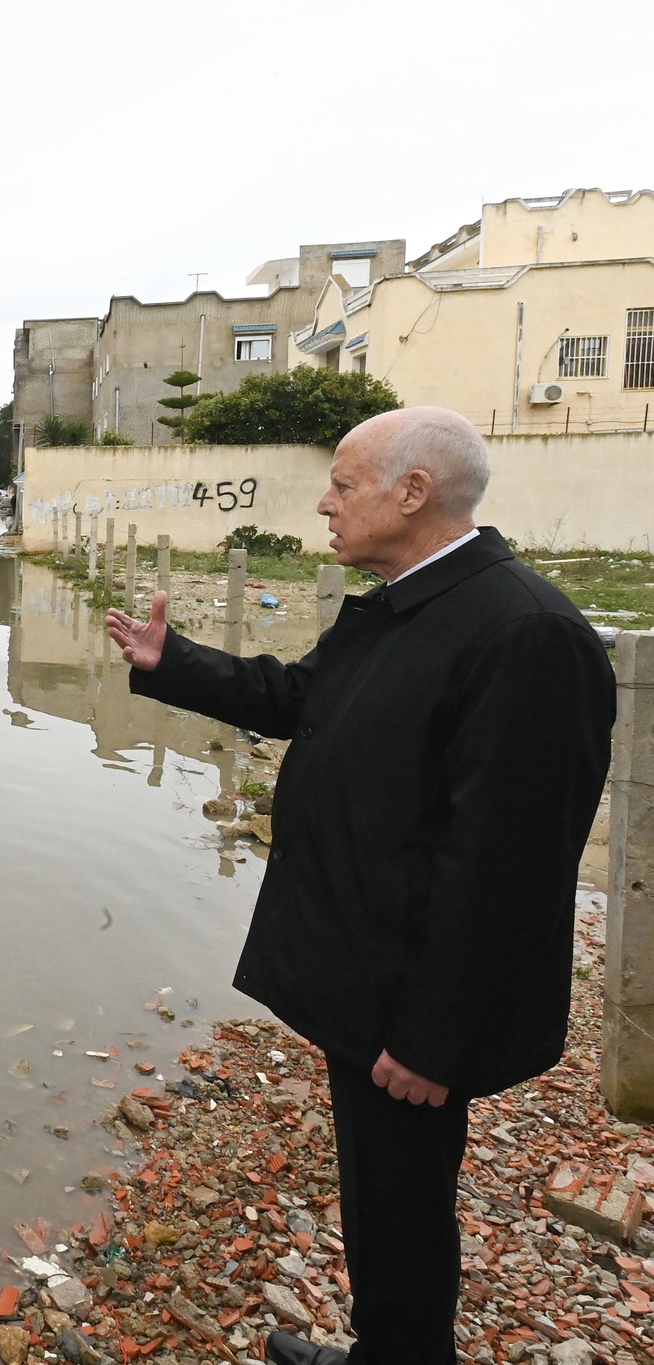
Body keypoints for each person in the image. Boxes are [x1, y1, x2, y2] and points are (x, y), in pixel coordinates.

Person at [104, 407, 613, 1365]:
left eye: (342, 485)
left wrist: (433, 1039)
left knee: (405, 1208)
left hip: (416, 1002)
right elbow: (305, 699)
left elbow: (511, 870)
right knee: (382, 1198)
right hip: (367, 970)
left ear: (413, 492)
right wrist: (175, 662)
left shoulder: (525, 634)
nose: (324, 504)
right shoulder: (400, 604)